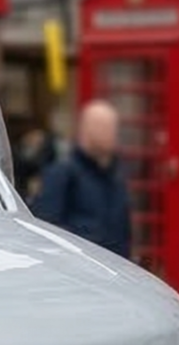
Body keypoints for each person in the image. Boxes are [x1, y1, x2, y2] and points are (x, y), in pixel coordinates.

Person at [31, 100, 132, 259]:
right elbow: (46, 227)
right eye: (104, 127)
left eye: (114, 127)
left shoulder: (116, 175)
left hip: (114, 266)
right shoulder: (62, 172)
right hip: (79, 264)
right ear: (86, 130)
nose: (112, 133)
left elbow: (123, 230)